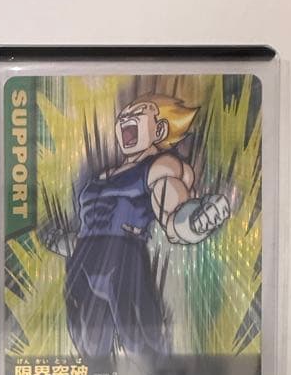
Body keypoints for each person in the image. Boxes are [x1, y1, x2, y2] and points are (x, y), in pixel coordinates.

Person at [59, 94, 231, 361]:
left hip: (122, 261)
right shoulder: (101, 176)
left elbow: (171, 208)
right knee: (91, 355)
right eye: (123, 117)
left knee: (145, 350)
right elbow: (89, 224)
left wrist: (191, 222)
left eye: (137, 114)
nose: (126, 120)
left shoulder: (160, 166)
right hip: (81, 263)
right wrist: (67, 242)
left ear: (159, 130)